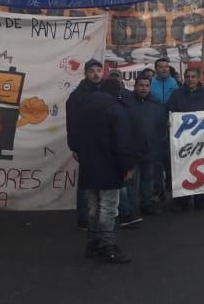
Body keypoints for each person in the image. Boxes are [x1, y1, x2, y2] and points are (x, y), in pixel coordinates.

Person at [73, 78, 134, 263]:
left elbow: (74, 134)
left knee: (93, 206)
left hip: (88, 165)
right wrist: (127, 166)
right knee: (108, 207)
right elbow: (121, 143)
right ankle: (109, 246)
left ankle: (93, 243)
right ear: (117, 92)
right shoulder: (116, 109)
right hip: (109, 165)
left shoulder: (83, 108)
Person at [165, 67, 204, 210]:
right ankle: (183, 199)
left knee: (200, 167)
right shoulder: (176, 94)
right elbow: (169, 111)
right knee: (183, 168)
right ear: (184, 78)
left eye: (193, 76)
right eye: (188, 77)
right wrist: (169, 120)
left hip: (201, 139)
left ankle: (199, 198)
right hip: (183, 140)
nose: (190, 79)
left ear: (198, 78)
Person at [66, 59, 103, 230]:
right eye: (92, 71)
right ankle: (84, 220)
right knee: (85, 184)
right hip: (86, 146)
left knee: (105, 183)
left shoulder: (106, 92)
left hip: (104, 145)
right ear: (85, 74)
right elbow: (71, 124)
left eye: (98, 70)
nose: (96, 74)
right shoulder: (77, 96)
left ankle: (103, 218)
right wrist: (75, 147)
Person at [125, 77, 166, 218]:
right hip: (132, 151)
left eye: (146, 85)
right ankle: (130, 210)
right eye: (141, 85)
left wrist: (158, 145)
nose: (143, 88)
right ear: (135, 86)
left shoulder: (156, 104)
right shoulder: (127, 103)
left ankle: (147, 204)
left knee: (147, 179)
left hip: (150, 149)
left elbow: (161, 127)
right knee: (131, 182)